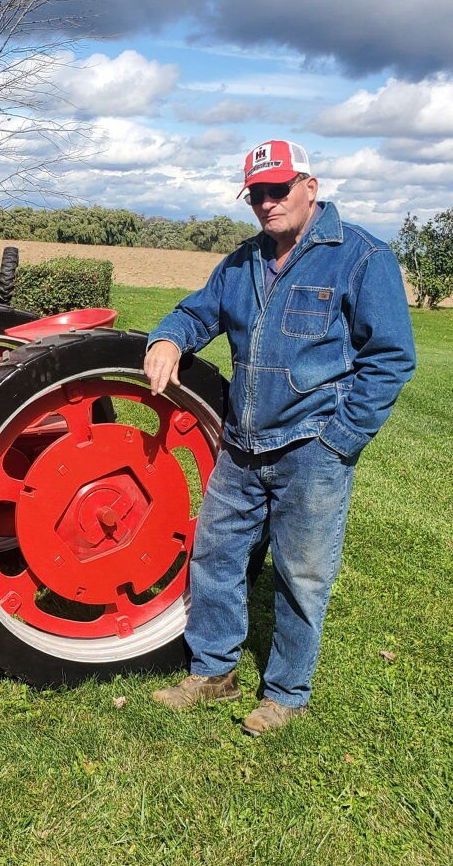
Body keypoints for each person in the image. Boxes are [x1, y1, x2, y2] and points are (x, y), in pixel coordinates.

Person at [144, 140, 416, 735]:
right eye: (258, 194)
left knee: (301, 574)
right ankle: (214, 671)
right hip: (242, 448)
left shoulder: (362, 257)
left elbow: (391, 358)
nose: (268, 203)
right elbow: (198, 314)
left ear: (310, 186)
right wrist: (167, 338)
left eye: (280, 189)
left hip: (312, 450)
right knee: (215, 558)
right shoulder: (243, 262)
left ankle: (287, 693)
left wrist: (340, 439)